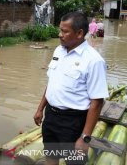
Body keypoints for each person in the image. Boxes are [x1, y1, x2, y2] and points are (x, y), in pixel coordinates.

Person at [33, 12, 108, 165]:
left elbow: (97, 102)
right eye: (60, 30)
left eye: (65, 31)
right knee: (51, 156)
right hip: (51, 117)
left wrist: (85, 137)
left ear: (80, 33)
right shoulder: (58, 51)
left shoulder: (93, 61)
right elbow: (53, 82)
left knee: (73, 162)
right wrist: (40, 109)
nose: (60, 35)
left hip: (74, 122)